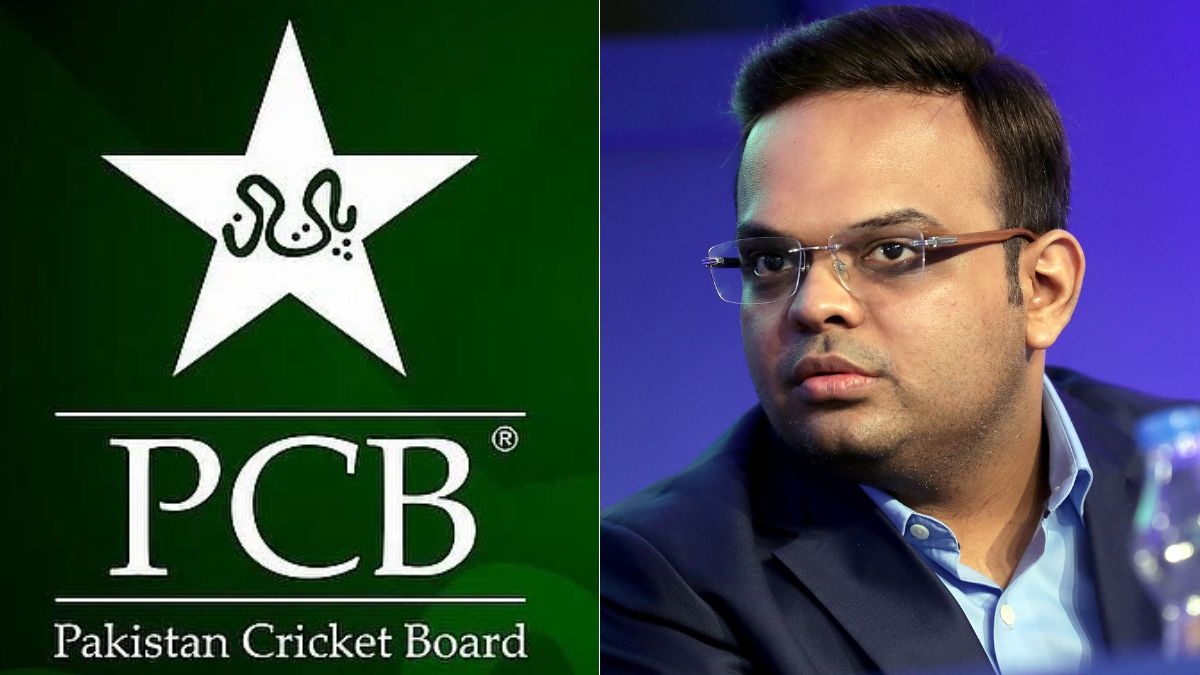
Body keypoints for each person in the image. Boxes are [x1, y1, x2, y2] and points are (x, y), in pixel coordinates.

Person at [601, 6, 1197, 674]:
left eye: (890, 250)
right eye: (770, 261)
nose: (813, 304)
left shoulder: (1190, 480)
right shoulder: (662, 577)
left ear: (1042, 288)